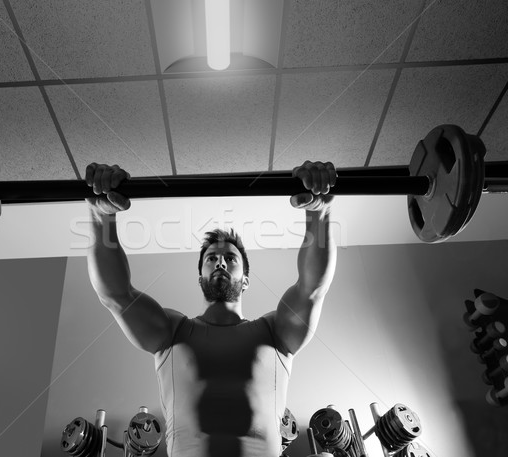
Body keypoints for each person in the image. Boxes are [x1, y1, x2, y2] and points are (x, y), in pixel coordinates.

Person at [86, 161, 337, 457]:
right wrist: (101, 218)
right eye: (211, 258)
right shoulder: (172, 331)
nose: (219, 261)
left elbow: (312, 288)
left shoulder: (276, 332)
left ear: (245, 281)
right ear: (200, 279)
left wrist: (319, 213)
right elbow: (115, 294)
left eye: (230, 258)